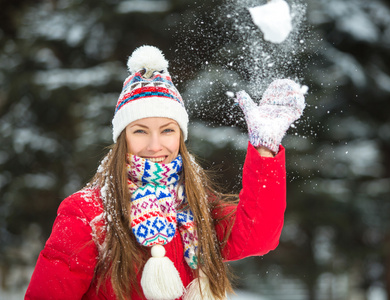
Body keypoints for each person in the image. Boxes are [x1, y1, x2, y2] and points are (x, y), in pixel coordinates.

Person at [25, 45, 307, 300]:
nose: (155, 145)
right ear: (122, 137)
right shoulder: (89, 213)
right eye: (140, 131)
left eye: (168, 130)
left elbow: (258, 236)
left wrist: (265, 151)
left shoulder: (196, 205)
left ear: (181, 138)